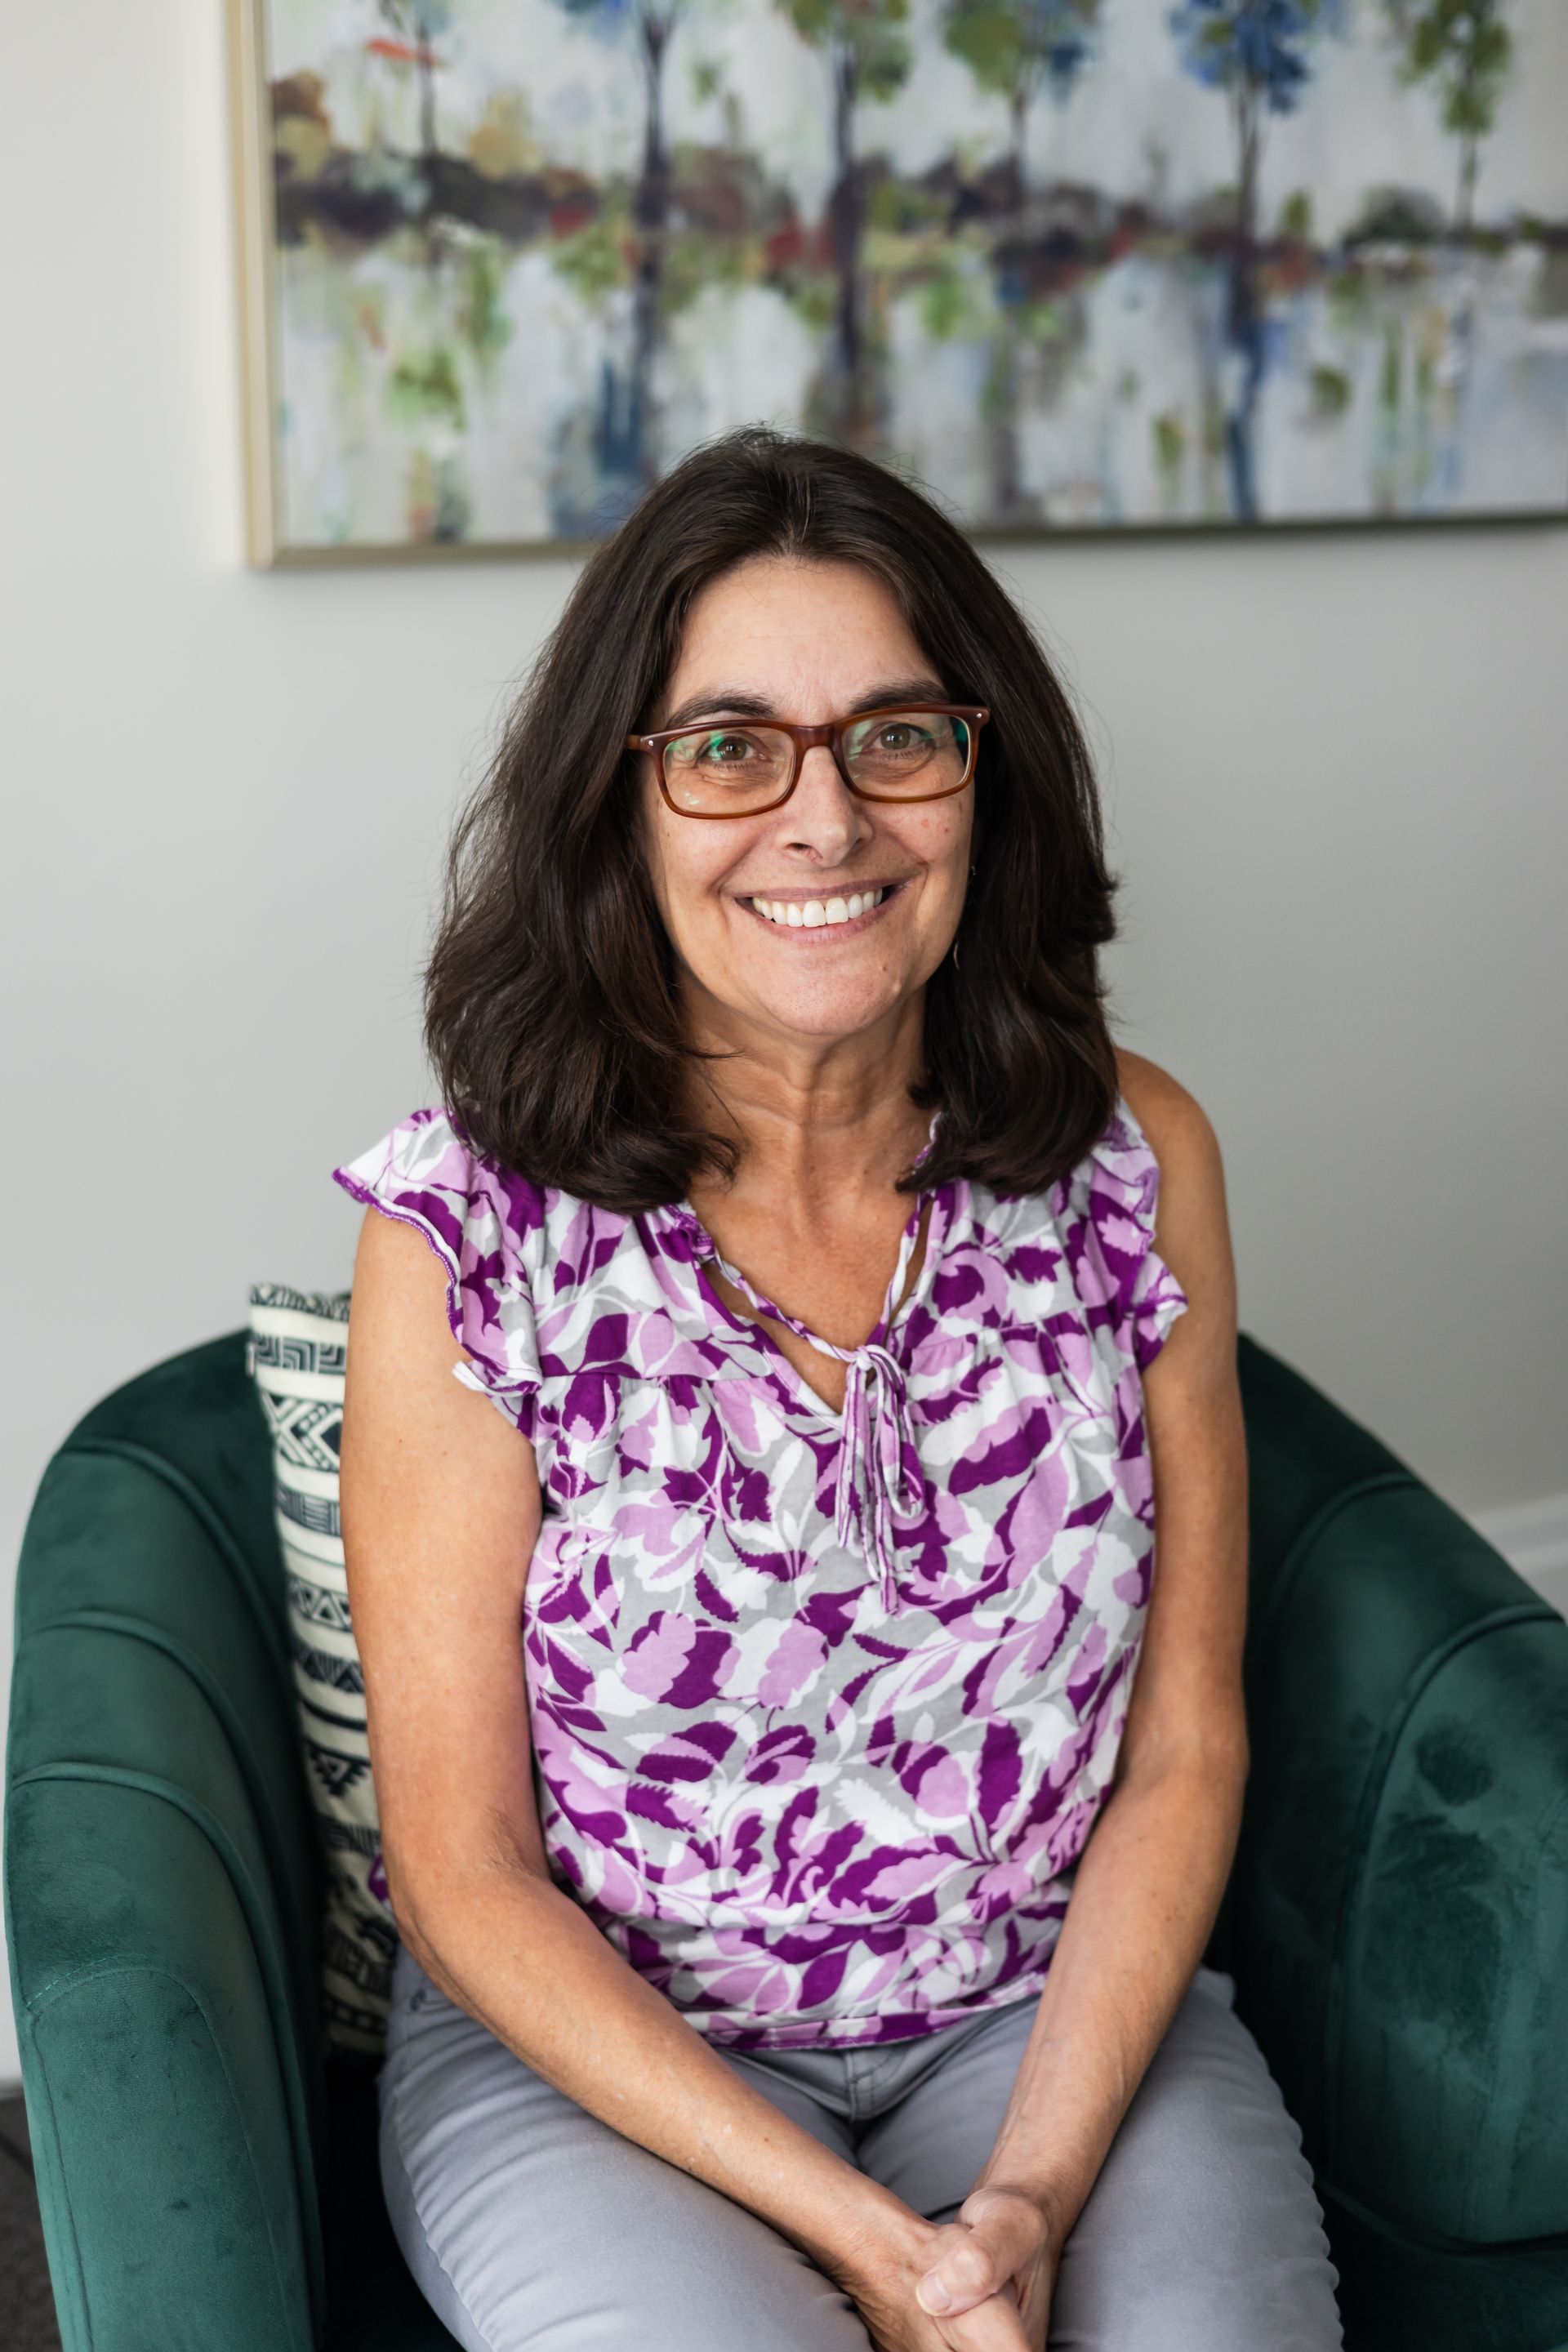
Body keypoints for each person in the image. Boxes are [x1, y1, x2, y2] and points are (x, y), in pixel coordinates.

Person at [334, 427, 1342, 2352]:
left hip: (1037, 2022)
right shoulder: (466, 1231)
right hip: (603, 2071)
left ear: (984, 776)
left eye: (897, 736)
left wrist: (1029, 2197)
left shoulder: (1136, 1159)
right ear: (617, 801)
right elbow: (465, 1874)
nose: (828, 821)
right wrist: (895, 2262)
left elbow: (1184, 1743)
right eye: (727, 747)